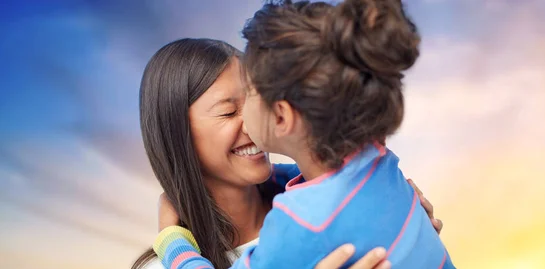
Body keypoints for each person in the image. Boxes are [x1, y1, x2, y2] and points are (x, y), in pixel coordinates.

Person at [152, 0, 453, 268]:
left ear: (282, 115)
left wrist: (172, 243)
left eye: (252, 95)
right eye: (229, 111)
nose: (246, 121)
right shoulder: (378, 160)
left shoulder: (297, 224)